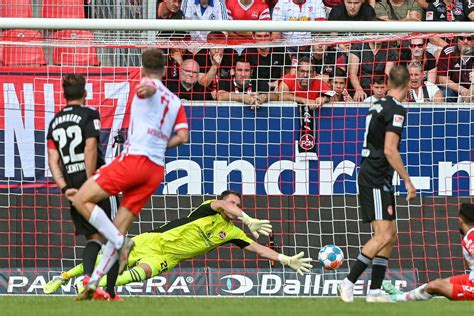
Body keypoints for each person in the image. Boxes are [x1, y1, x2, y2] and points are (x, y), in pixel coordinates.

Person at [71, 48, 190, 300]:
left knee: (82, 199)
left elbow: (145, 89)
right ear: (167, 70)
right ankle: (94, 284)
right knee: (119, 227)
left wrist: (148, 88)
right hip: (155, 170)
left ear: (143, 69)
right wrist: (159, 144)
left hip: (134, 161)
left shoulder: (146, 84)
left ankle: (120, 242)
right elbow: (182, 136)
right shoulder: (176, 101)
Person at [44, 191, 312, 295]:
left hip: (169, 258)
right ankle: (64, 276)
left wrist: (285, 259)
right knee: (108, 258)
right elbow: (221, 204)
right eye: (232, 204)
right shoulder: (209, 208)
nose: (234, 208)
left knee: (139, 274)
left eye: (238, 206)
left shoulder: (231, 232)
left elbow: (258, 248)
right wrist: (248, 217)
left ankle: (90, 286)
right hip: (153, 239)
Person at [338, 65, 417, 303]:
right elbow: (390, 150)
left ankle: (374, 292)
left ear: (389, 81)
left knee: (390, 234)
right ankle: (348, 281)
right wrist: (407, 180)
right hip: (374, 176)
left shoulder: (377, 104)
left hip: (377, 175)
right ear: (412, 82)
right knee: (382, 236)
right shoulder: (396, 109)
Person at [45, 74, 119, 301]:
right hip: (94, 182)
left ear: (64, 94)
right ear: (85, 93)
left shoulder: (55, 121)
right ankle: (109, 291)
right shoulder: (89, 115)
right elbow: (90, 148)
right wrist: (91, 181)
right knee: (115, 236)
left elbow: (52, 158)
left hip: (72, 188)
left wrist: (64, 187)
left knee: (94, 237)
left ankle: (88, 279)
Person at [386, 203, 474, 302]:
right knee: (437, 283)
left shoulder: (471, 236)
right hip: (470, 279)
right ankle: (404, 296)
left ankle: (396, 298)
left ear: (460, 220)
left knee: (436, 285)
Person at [437, 35, 473, 103]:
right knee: (445, 93)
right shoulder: (449, 51)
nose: (465, 42)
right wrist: (462, 90)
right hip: (454, 89)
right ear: (457, 39)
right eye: (462, 38)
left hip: (472, 89)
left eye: (469, 38)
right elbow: (443, 80)